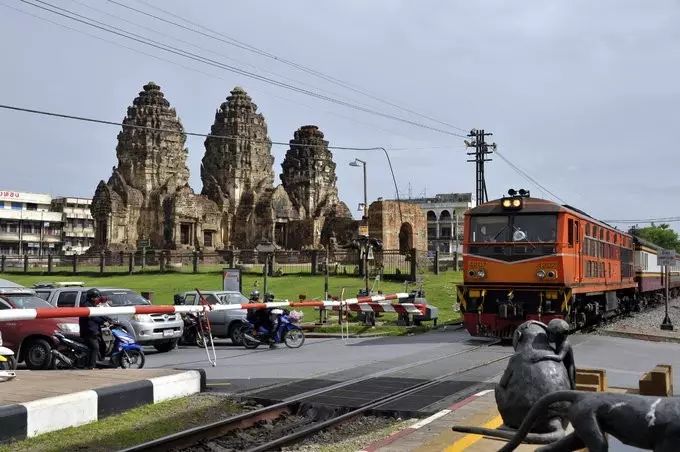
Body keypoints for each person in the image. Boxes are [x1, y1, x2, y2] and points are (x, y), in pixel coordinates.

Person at [79, 289, 108, 369]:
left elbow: (99, 314)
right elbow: (93, 317)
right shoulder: (86, 306)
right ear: (92, 298)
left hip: (95, 331)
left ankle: (100, 361)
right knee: (95, 347)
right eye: (96, 297)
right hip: (89, 331)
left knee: (103, 345)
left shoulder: (92, 305)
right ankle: (91, 366)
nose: (98, 299)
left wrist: (108, 319)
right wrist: (103, 322)